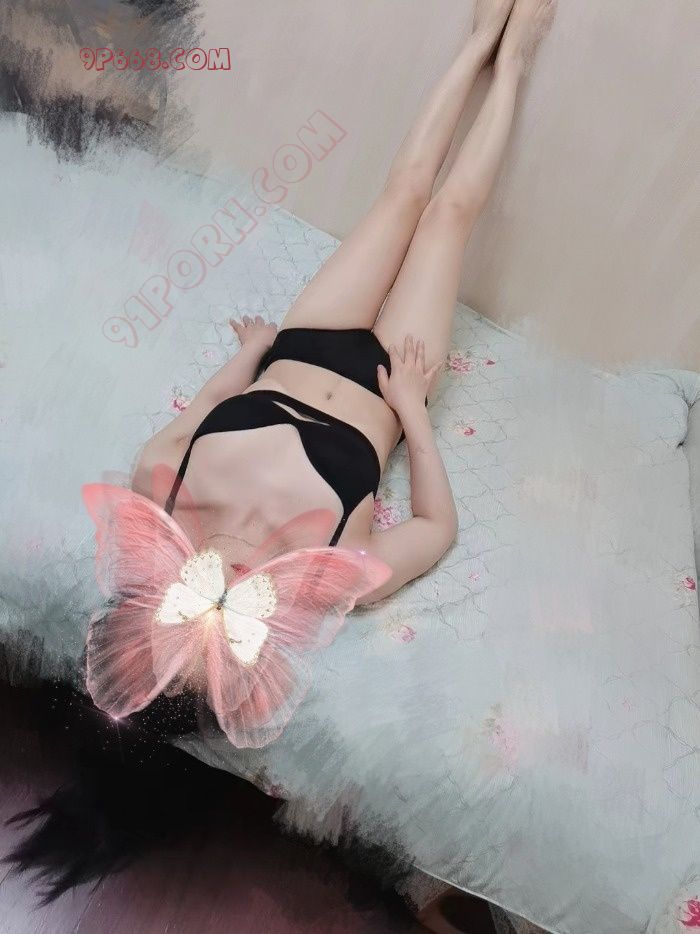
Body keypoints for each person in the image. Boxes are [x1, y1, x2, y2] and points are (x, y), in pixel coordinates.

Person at [133, 0, 555, 608]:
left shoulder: (157, 490)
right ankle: (512, 63)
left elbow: (206, 406)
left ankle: (480, 41)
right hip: (392, 380)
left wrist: (252, 355)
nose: (225, 591)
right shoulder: (328, 581)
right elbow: (436, 528)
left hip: (307, 343)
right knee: (448, 218)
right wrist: (411, 409)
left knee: (403, 196)